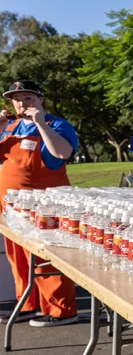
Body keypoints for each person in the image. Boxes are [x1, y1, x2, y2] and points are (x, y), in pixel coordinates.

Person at [0, 80, 79, 327]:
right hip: (10, 206)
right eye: (17, 99)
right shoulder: (10, 126)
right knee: (18, 258)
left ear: (40, 100)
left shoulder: (57, 125)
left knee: (46, 256)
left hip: (43, 206)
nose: (22, 103)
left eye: (28, 98)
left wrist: (41, 124)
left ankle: (61, 309)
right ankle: (27, 304)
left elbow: (62, 153)